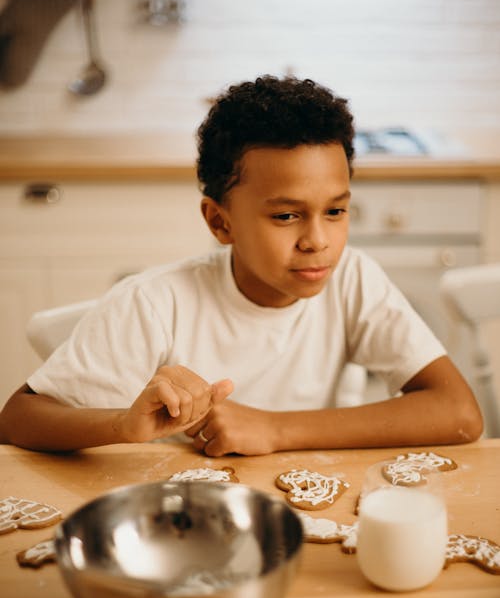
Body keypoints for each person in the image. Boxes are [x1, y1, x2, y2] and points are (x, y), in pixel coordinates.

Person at [0, 76, 483, 454]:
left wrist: (275, 429)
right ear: (220, 221)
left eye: (335, 211)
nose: (318, 241)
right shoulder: (153, 304)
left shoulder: (353, 279)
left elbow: (460, 413)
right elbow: (17, 417)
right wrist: (120, 424)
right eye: (286, 216)